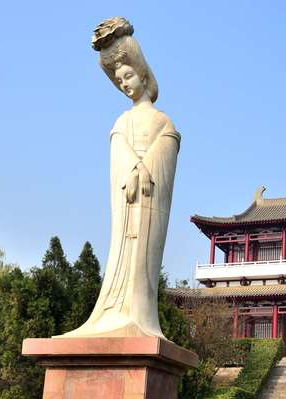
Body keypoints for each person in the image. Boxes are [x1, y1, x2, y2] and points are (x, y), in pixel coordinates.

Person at [61, 17, 180, 339]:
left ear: (143, 74)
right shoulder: (121, 121)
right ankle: (113, 313)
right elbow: (118, 149)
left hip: (148, 195)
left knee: (143, 255)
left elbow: (168, 146)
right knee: (120, 254)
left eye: (128, 76)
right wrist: (132, 167)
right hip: (128, 197)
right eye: (119, 80)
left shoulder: (162, 120)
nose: (124, 83)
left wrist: (144, 167)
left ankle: (139, 316)